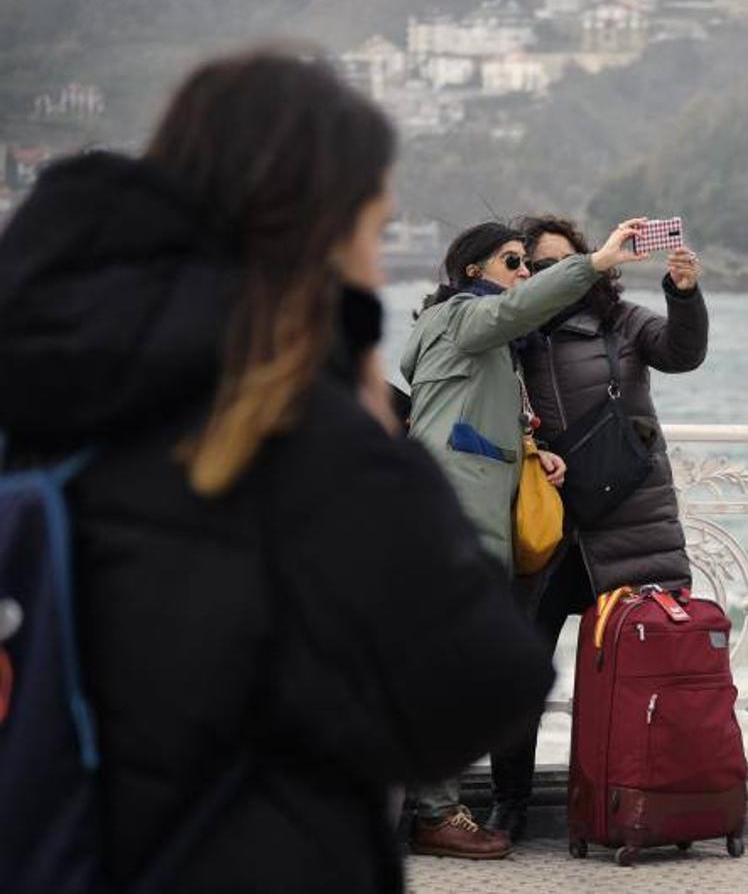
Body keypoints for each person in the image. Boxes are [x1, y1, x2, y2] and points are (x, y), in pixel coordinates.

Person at [0, 50, 555, 892]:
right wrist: (371, 411)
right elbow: (483, 686)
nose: (376, 266)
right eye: (373, 230)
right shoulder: (297, 430)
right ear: (326, 228)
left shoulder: (34, 377)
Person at [399, 218, 645, 857]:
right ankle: (436, 813)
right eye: (513, 261)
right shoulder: (463, 317)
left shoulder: (486, 344)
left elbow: (469, 421)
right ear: (472, 271)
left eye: (526, 264)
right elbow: (518, 309)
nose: (524, 273)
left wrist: (532, 453)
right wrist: (595, 263)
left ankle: (431, 807)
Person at [484, 214, 708, 841]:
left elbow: (683, 354)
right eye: (539, 266)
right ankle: (510, 805)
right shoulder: (509, 336)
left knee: (647, 675)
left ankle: (649, 804)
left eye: (567, 263)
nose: (555, 275)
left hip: (631, 525)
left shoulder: (624, 322)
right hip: (547, 532)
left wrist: (684, 293)